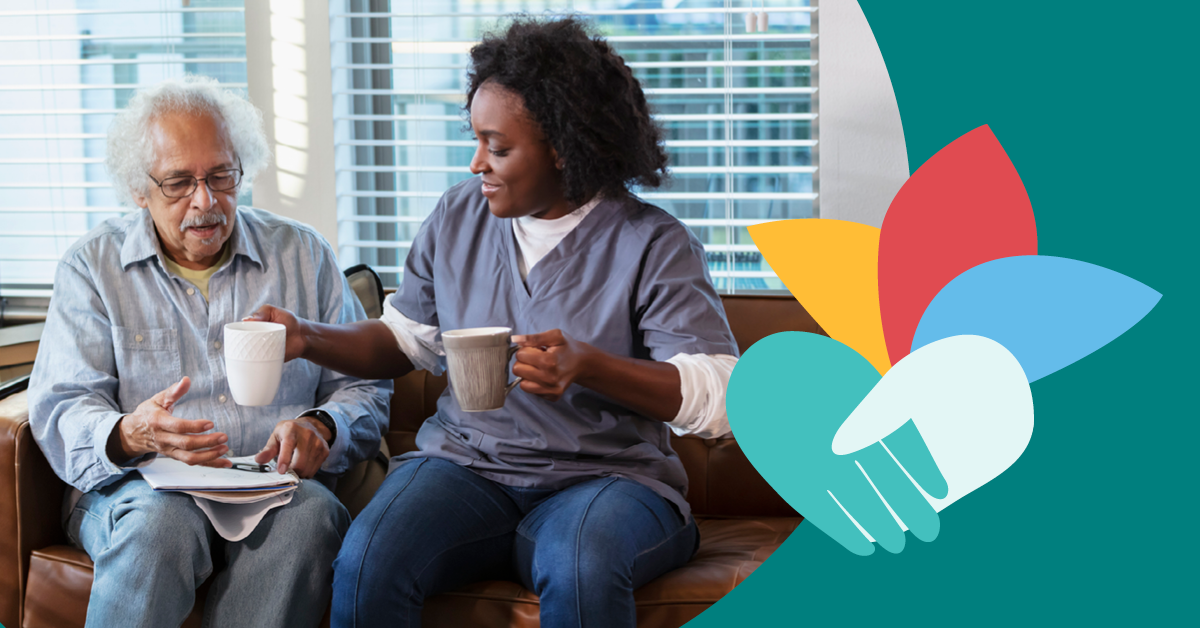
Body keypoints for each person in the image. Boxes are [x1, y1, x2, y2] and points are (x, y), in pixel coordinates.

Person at [251, 16, 740, 628]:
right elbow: (406, 341)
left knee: (579, 565)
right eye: (476, 140)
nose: (476, 162)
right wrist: (307, 337)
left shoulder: (653, 242)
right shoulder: (457, 216)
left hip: (607, 480)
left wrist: (590, 366)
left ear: (564, 147)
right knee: (368, 559)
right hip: (464, 466)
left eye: (498, 147)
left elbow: (722, 395)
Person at [26, 76, 392, 628]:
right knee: (161, 526)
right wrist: (133, 433)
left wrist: (322, 425)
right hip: (142, 491)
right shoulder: (92, 267)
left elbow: (364, 384)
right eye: (179, 182)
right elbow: (61, 406)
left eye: (221, 176)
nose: (206, 201)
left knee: (312, 517)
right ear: (139, 189)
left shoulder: (303, 254)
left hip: (277, 488)